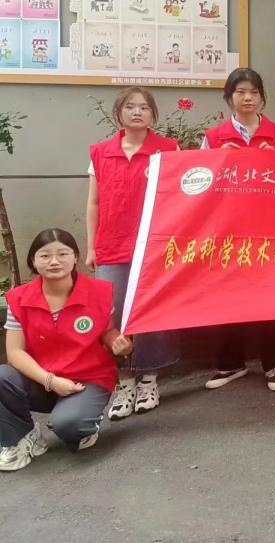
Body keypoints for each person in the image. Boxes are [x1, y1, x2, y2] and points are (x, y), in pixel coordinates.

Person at [1, 229, 134, 472]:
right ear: (33, 261)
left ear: (75, 258)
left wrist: (118, 342)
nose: (54, 261)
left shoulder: (99, 292)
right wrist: (51, 381)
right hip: (42, 380)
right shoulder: (18, 299)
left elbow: (107, 331)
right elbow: (15, 353)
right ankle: (22, 437)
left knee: (71, 426)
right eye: (45, 256)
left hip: (87, 380)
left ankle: (81, 421)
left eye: (63, 254)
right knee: (2, 376)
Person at [85, 87, 179, 421]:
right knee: (111, 315)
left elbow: (181, 197)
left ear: (153, 115)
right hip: (111, 245)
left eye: (144, 107)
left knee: (152, 310)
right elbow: (94, 203)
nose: (137, 112)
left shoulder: (168, 149)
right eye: (130, 106)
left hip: (154, 246)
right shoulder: (100, 152)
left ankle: (149, 380)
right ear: (118, 113)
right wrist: (91, 246)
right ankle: (123, 381)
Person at [202, 68, 275, 393]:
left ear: (262, 97)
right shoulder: (214, 137)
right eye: (240, 92)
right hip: (229, 230)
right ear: (229, 97)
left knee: (272, 297)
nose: (247, 98)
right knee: (229, 295)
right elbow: (201, 182)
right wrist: (220, 161)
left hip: (270, 229)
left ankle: (274, 364)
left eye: (253, 92)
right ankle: (230, 363)